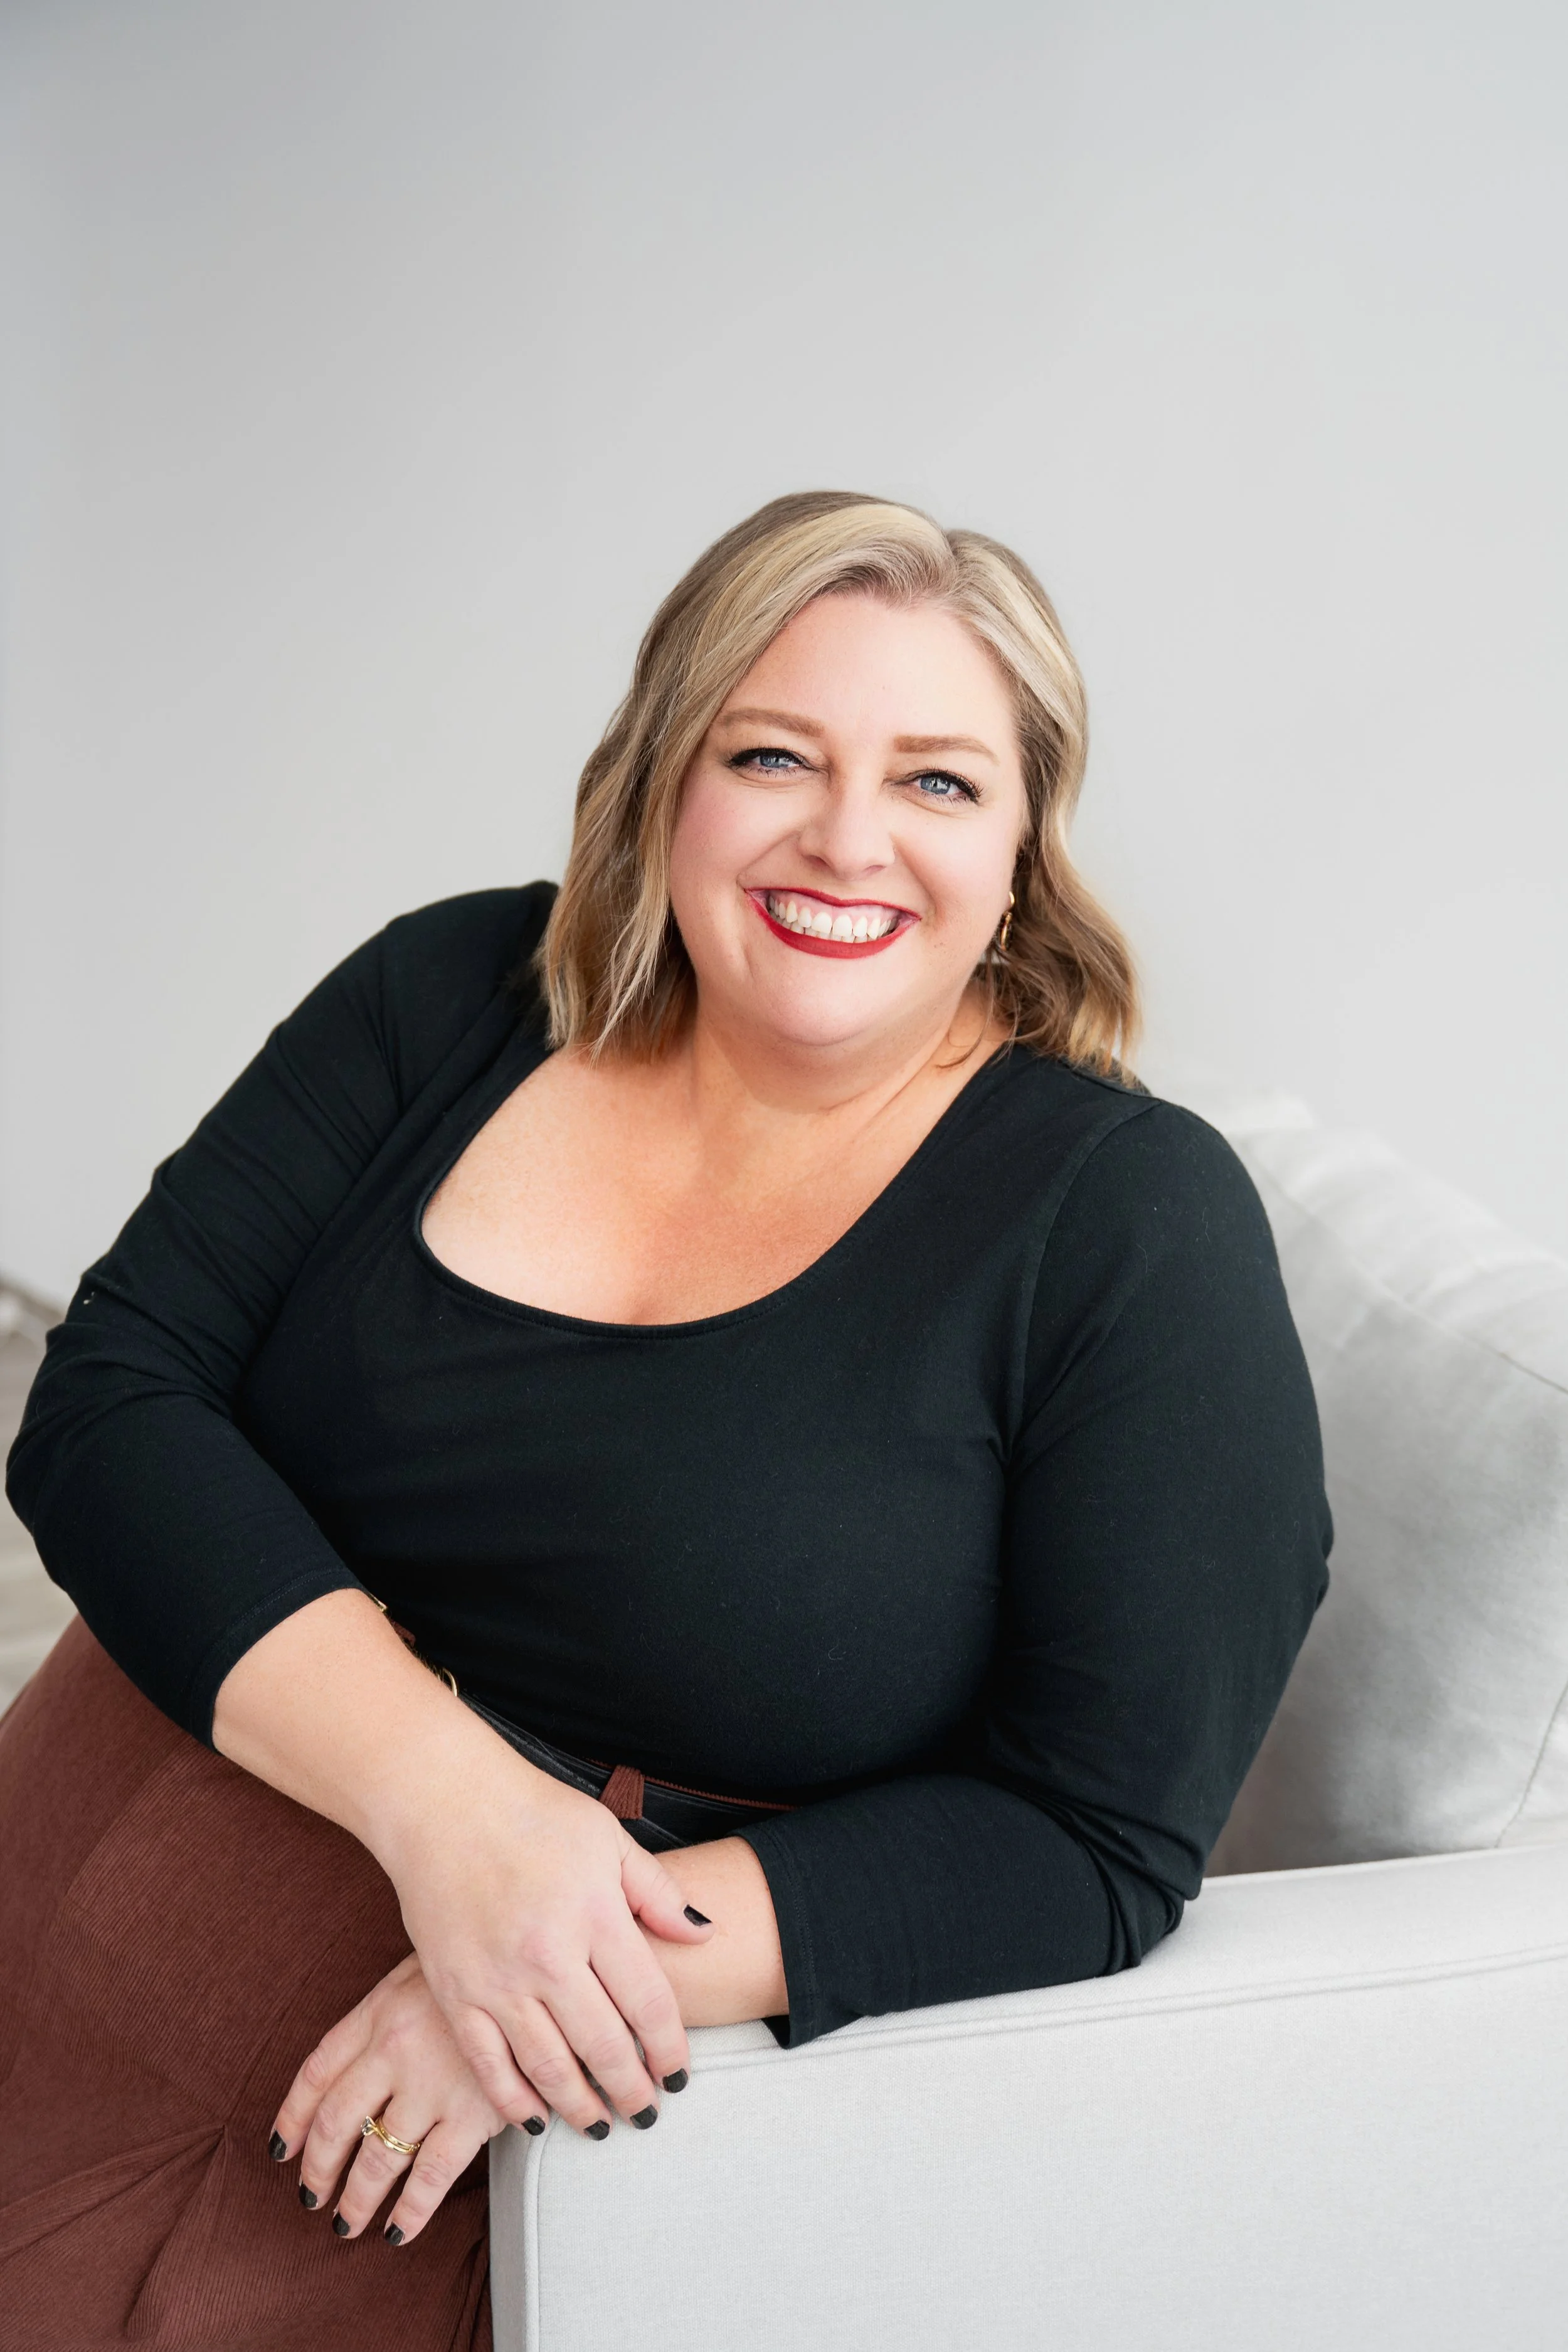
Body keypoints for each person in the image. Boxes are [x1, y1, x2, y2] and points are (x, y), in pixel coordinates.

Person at [1, 492, 1330, 2349]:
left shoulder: (1126, 1226)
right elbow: (109, 1396)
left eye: (938, 781)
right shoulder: (447, 992)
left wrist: (571, 1952)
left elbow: (1093, 1832)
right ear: (661, 778)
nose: (845, 839)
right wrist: (456, 1816)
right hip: (62, 1895)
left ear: (1026, 843)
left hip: (477, 2116)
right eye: (770, 753)